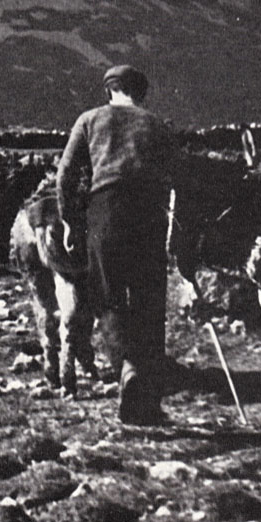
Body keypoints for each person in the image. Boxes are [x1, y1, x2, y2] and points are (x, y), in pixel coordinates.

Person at [55, 65, 178, 425]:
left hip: (104, 212)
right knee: (149, 303)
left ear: (109, 91)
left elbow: (65, 174)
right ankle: (148, 402)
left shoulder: (89, 119)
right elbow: (177, 176)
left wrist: (69, 221)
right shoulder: (157, 125)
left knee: (107, 297)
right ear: (141, 93)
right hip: (149, 214)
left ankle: (126, 370)